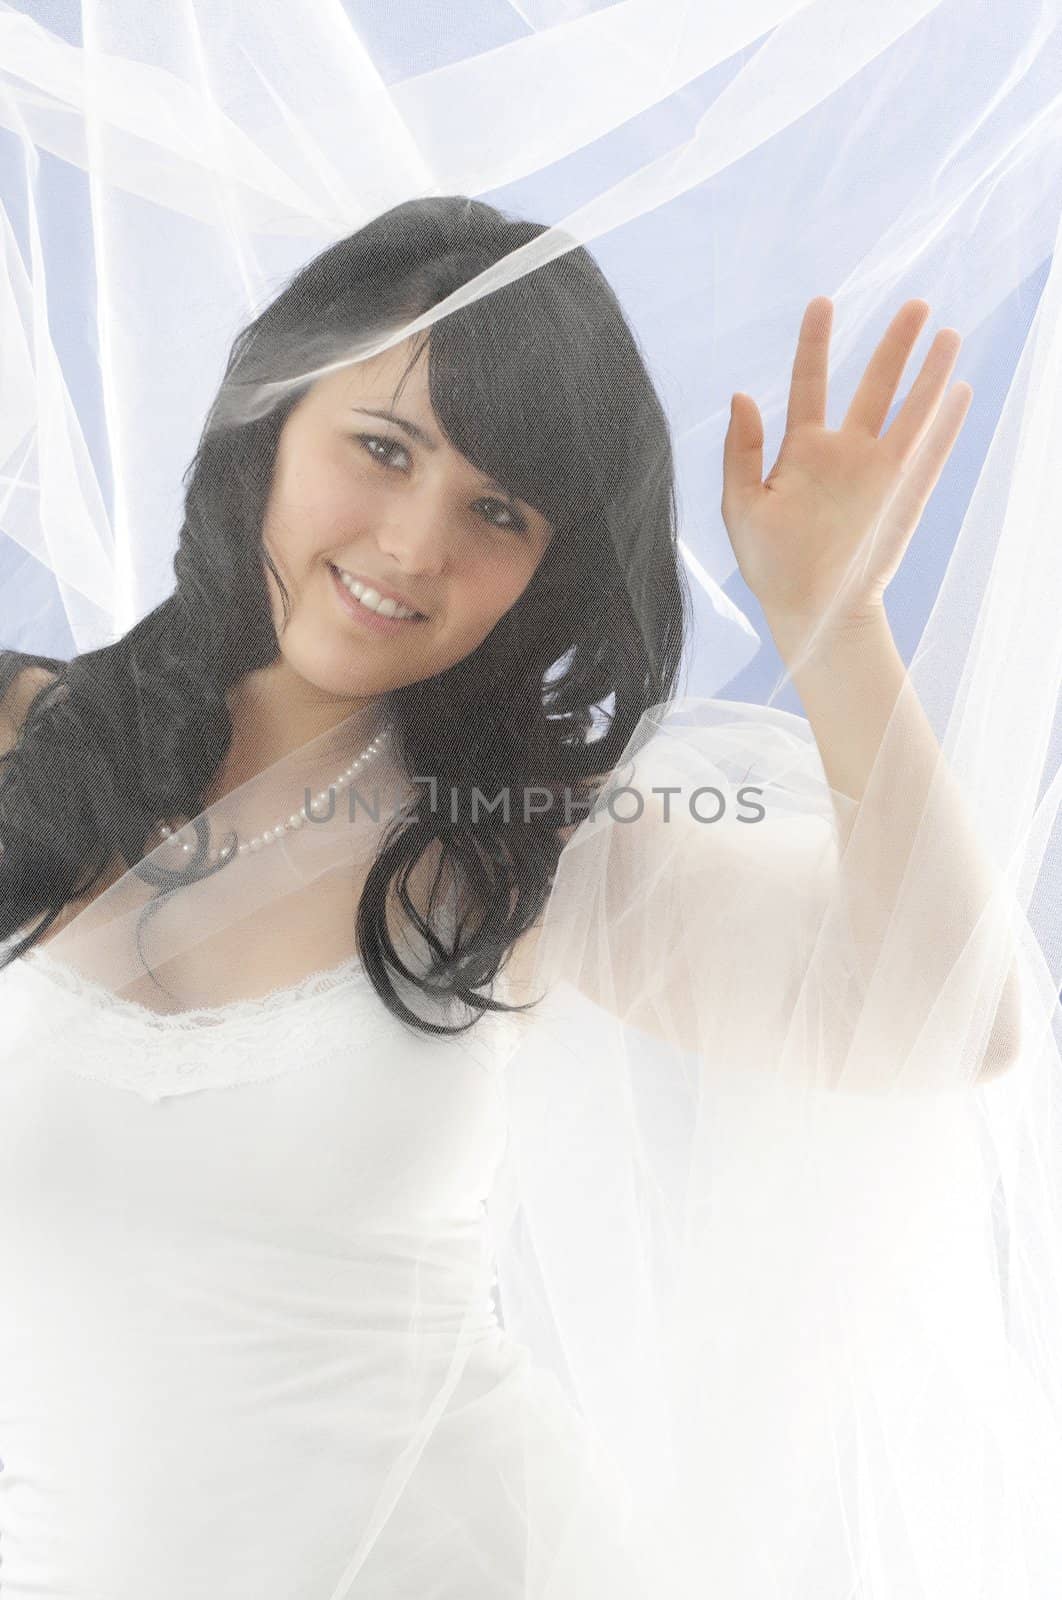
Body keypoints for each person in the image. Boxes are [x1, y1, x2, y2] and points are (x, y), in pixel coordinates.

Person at [0, 195, 1050, 1598]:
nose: (414, 546)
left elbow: (942, 1019)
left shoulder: (524, 847)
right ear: (268, 422)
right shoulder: (23, 747)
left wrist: (835, 626)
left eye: (496, 510)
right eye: (381, 450)